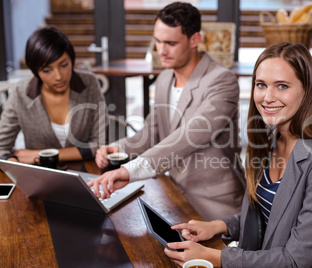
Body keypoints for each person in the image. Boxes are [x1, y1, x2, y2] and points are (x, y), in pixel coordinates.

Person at [163, 42, 312, 267]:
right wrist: (216, 226)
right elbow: (268, 217)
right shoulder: (270, 140)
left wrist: (215, 258)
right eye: (261, 85)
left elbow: (294, 260)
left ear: (306, 90)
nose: (267, 97)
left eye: (282, 86)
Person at [88, 2, 245, 221]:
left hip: (216, 205)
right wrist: (119, 148)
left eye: (170, 43)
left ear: (195, 40)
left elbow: (188, 136)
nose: (161, 50)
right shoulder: (164, 78)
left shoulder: (221, 80)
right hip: (174, 196)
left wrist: (130, 170)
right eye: (158, 41)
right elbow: (152, 132)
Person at [0, 27, 108, 163]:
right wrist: (14, 163)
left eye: (64, 65)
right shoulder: (20, 93)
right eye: (47, 70)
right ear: (36, 72)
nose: (58, 76)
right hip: (39, 177)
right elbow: (2, 147)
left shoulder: (88, 83)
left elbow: (101, 143)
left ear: (72, 60)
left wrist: (39, 155)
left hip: (87, 174)